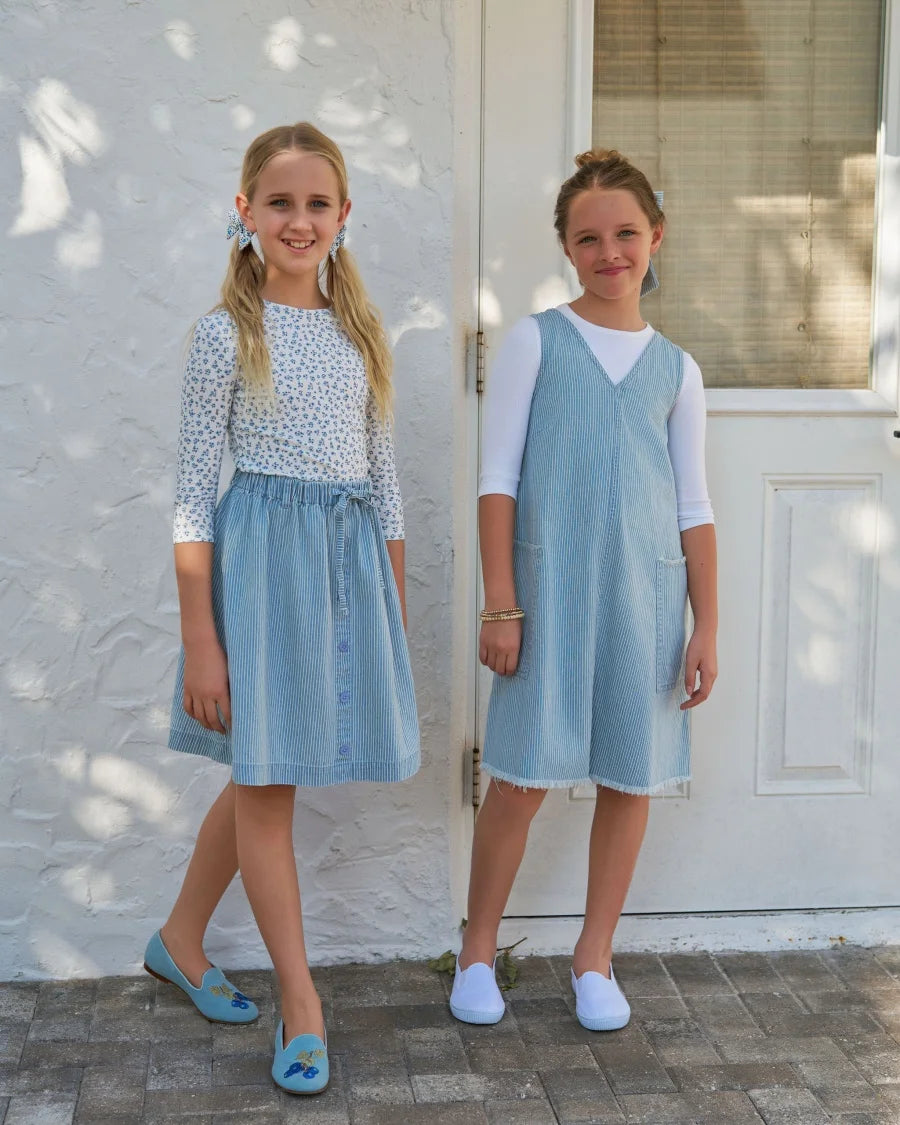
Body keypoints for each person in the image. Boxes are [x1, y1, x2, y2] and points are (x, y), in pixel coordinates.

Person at [142, 122, 419, 1095]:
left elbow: (384, 484)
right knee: (267, 783)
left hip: (344, 573)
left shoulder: (358, 334)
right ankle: (302, 1002)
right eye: (279, 203)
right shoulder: (227, 335)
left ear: (343, 218)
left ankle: (180, 939)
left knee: (263, 775)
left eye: (316, 204)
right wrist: (200, 640)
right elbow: (189, 493)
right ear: (245, 210)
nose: (297, 221)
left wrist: (386, 606)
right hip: (259, 572)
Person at [451, 149, 717, 1031]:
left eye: (627, 233)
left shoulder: (677, 369)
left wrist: (706, 624)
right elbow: (498, 478)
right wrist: (501, 600)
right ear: (567, 247)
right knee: (520, 776)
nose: (611, 252)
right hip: (548, 594)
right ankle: (478, 949)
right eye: (589, 237)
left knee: (628, 780)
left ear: (656, 237)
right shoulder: (534, 341)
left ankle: (595, 955)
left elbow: (694, 503)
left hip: (646, 600)